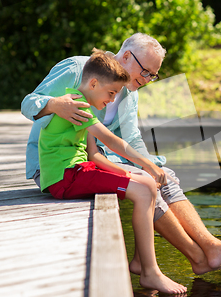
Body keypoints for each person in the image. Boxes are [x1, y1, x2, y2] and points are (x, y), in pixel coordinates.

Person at [21, 33, 221, 276]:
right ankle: (196, 257)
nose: (147, 80)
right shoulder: (79, 69)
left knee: (162, 176)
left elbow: (130, 137)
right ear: (126, 55)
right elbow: (29, 103)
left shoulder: (128, 91)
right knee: (145, 183)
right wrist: (55, 105)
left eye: (153, 75)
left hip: (92, 158)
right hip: (58, 167)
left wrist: (153, 166)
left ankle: (211, 246)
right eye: (145, 72)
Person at [37, 50, 187, 294]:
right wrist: (147, 164)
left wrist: (134, 173)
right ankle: (150, 273)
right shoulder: (78, 104)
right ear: (93, 83)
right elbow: (113, 142)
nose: (111, 100)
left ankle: (142, 262)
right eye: (111, 94)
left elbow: (94, 154)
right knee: (142, 190)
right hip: (65, 178)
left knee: (146, 183)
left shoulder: (84, 103)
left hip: (78, 170)